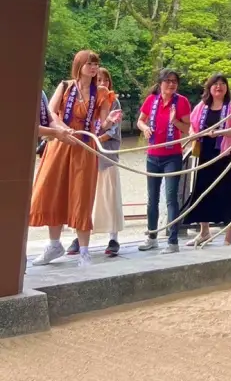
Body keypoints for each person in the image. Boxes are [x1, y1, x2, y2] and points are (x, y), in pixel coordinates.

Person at [29, 51, 117, 268]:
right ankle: (53, 244)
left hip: (84, 146)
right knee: (52, 191)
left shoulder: (102, 92)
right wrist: (61, 129)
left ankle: (85, 251)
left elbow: (103, 122)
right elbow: (51, 112)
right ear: (78, 65)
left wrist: (109, 123)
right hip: (60, 143)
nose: (93, 67)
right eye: (89, 63)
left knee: (81, 195)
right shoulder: (66, 85)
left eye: (96, 64)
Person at [67, 68, 124, 258]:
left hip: (106, 157)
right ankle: (80, 237)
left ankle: (113, 238)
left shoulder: (112, 101)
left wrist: (92, 139)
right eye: (97, 79)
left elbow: (111, 131)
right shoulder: (87, 98)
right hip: (88, 155)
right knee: (86, 198)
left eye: (105, 80)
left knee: (110, 197)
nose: (101, 83)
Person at [182, 73, 231, 247]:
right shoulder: (202, 106)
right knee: (203, 191)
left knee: (227, 194)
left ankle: (228, 237)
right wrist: (195, 134)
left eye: (223, 83)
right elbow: (192, 128)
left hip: (225, 155)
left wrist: (219, 132)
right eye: (215, 84)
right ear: (209, 88)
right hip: (205, 154)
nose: (219, 86)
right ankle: (204, 232)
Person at [136, 68, 191, 254]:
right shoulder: (152, 100)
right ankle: (152, 237)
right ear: (160, 83)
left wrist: (174, 121)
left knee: (171, 197)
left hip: (172, 155)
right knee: (152, 198)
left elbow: (186, 128)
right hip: (152, 155)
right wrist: (144, 128)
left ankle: (173, 241)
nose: (171, 84)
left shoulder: (181, 102)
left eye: (174, 81)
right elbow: (140, 120)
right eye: (167, 80)